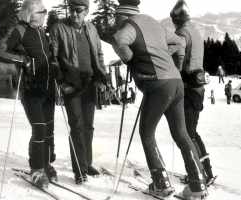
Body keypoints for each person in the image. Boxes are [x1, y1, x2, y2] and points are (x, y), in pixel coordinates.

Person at [111, 0, 208, 199]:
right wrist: (161, 54)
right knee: (181, 134)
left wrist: (132, 59)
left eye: (116, 17)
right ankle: (197, 184)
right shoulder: (152, 22)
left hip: (158, 85)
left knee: (147, 133)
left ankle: (160, 183)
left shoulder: (130, 25)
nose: (116, 21)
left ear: (124, 14)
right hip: (176, 82)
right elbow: (178, 42)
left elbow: (119, 41)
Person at [0, 0, 57, 188]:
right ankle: (36, 169)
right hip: (30, 90)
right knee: (40, 130)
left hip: (48, 90)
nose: (45, 15)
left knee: (49, 131)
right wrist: (22, 59)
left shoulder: (41, 32)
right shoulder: (19, 30)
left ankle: (46, 164)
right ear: (32, 14)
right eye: (42, 12)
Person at [49, 0, 107, 184]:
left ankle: (87, 163)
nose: (74, 14)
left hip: (90, 84)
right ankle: (79, 170)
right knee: (77, 127)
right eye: (72, 10)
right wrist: (62, 82)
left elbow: (99, 53)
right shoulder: (58, 29)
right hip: (72, 86)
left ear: (86, 11)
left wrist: (101, 77)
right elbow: (53, 58)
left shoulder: (91, 28)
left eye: (78, 10)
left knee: (88, 126)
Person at [171, 0, 216, 186]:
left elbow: (179, 57)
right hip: (198, 89)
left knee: (187, 134)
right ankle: (207, 170)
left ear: (176, 19)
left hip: (188, 87)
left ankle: (197, 174)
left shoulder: (181, 33)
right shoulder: (195, 31)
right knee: (193, 132)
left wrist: (174, 72)